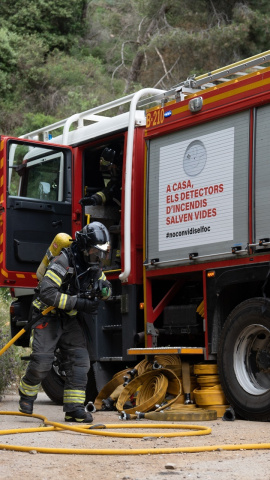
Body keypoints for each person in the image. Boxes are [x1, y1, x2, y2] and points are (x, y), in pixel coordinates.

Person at [18, 222, 112, 423]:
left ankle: (74, 409)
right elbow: (47, 292)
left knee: (80, 361)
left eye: (102, 252)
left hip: (69, 318)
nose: (99, 256)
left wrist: (104, 290)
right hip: (47, 315)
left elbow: (107, 287)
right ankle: (27, 393)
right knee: (42, 362)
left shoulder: (93, 266)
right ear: (85, 247)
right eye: (96, 251)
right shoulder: (63, 261)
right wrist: (79, 303)